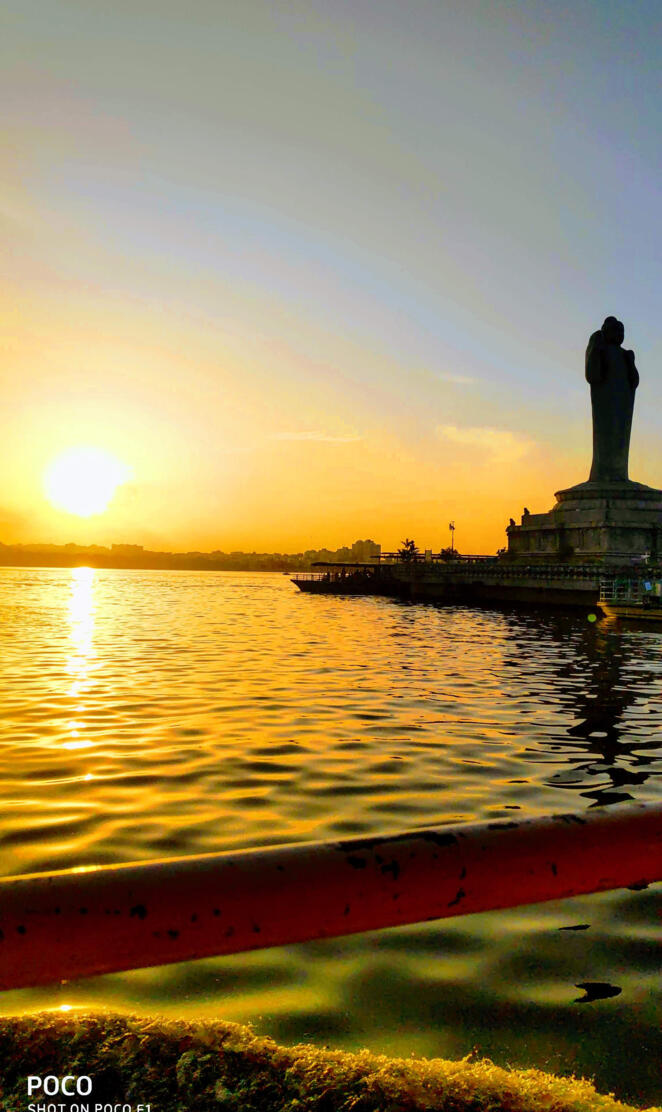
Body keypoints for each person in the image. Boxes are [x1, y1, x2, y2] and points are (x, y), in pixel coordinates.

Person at [585, 317, 639, 482]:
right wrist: (596, 349)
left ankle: (619, 474)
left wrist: (631, 362)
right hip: (605, 404)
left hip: (623, 406)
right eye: (615, 330)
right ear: (606, 332)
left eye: (622, 331)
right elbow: (593, 375)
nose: (619, 335)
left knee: (621, 441)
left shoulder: (625, 355)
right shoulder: (600, 349)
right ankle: (602, 474)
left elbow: (634, 382)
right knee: (605, 440)